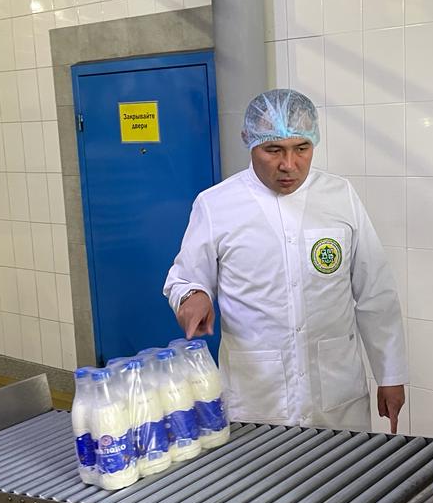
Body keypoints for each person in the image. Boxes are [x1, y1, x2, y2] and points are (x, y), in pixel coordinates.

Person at [164, 88, 408, 433]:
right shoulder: (216, 205)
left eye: (301, 148)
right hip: (257, 396)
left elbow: (375, 292)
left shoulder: (340, 196)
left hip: (337, 393)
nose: (288, 164)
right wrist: (193, 296)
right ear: (250, 142)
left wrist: (390, 374)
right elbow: (183, 279)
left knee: (341, 467)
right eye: (273, 150)